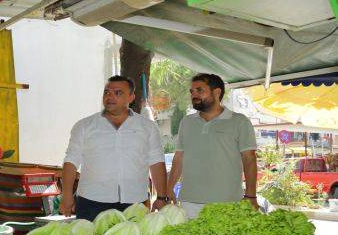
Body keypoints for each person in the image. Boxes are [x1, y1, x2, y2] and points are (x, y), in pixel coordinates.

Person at [59, 76, 168, 221]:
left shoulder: (147, 127)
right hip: (91, 203)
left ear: (131, 97)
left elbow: (156, 162)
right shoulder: (84, 126)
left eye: (117, 93)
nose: (110, 97)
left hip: (135, 204)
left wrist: (161, 196)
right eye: (107, 92)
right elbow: (71, 162)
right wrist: (66, 196)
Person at [167, 73, 258, 219]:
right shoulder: (186, 122)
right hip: (189, 202)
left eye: (199, 90)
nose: (194, 95)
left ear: (217, 92)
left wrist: (251, 196)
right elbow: (179, 158)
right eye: (192, 92)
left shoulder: (239, 121)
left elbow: (250, 160)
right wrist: (169, 187)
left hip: (227, 202)